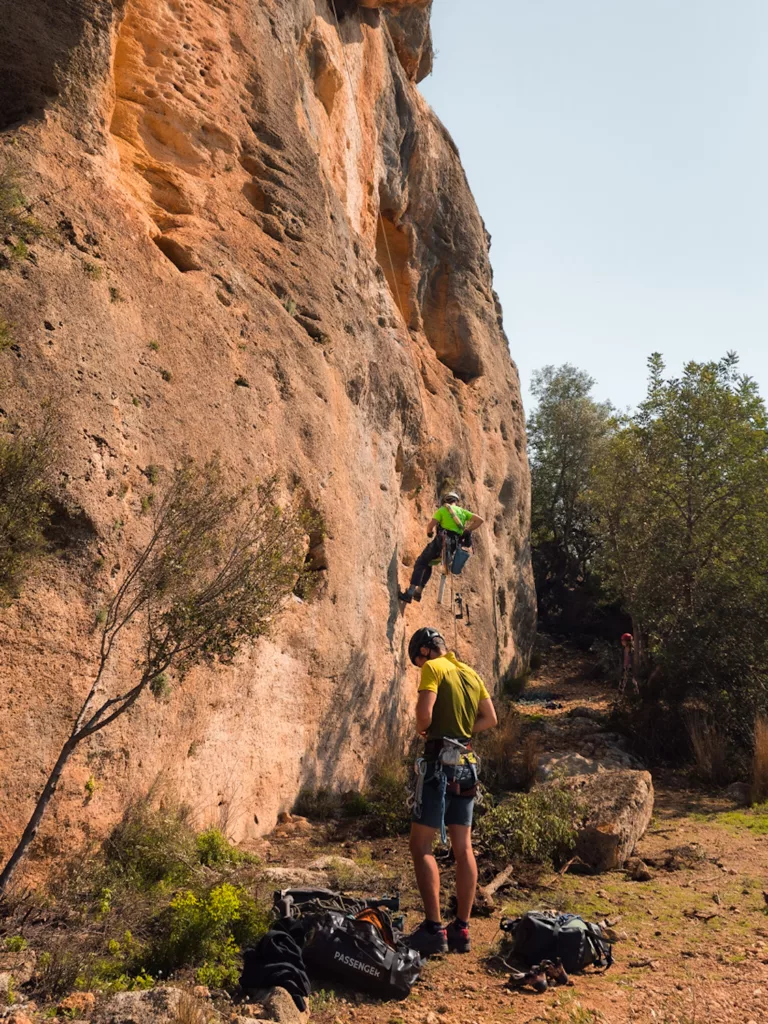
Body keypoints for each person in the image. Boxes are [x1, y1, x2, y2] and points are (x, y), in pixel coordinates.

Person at [405, 626, 498, 956]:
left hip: (438, 766)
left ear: (425, 651)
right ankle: (461, 928)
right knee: (464, 847)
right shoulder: (470, 672)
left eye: (419, 660)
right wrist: (461, 732)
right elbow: (490, 718)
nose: (421, 665)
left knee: (420, 844)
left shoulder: (434, 668)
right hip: (467, 764)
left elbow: (423, 714)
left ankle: (433, 929)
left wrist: (426, 730)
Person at [399, 492, 484, 604]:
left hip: (440, 542)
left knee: (421, 562)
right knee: (429, 564)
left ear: (446, 500)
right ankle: (418, 592)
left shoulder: (443, 510)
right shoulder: (462, 512)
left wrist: (429, 533)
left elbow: (431, 526)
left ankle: (410, 593)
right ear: (456, 501)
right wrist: (467, 530)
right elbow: (479, 520)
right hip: (452, 547)